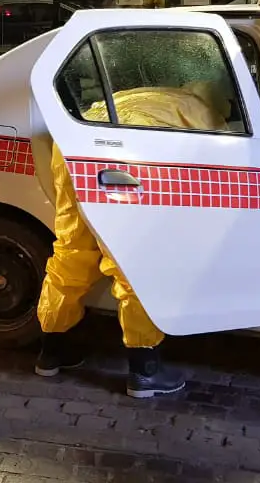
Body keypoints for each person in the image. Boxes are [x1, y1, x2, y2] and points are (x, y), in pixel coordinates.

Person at [34, 80, 231, 398]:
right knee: (134, 261)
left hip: (73, 140)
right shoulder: (208, 117)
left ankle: (52, 351)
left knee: (72, 249)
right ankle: (145, 370)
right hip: (124, 152)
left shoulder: (155, 96)